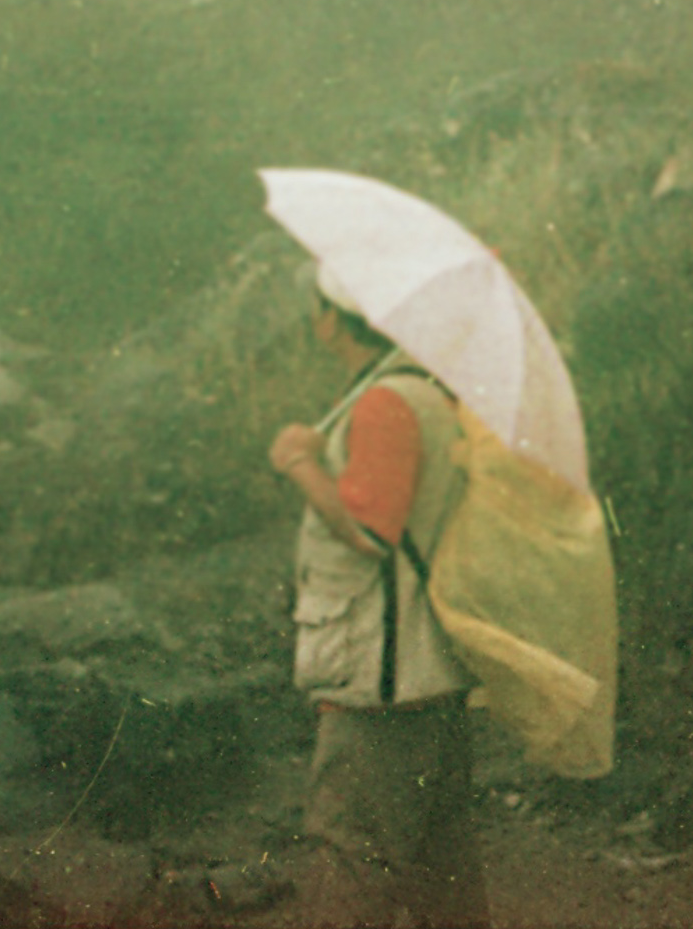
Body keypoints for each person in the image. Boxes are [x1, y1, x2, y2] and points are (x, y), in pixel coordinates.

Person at [267, 269, 487, 929]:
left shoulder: (383, 404)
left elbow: (370, 532)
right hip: (430, 672)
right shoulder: (427, 394)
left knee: (349, 853)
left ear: (333, 318)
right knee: (440, 865)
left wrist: (300, 464)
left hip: (380, 679)